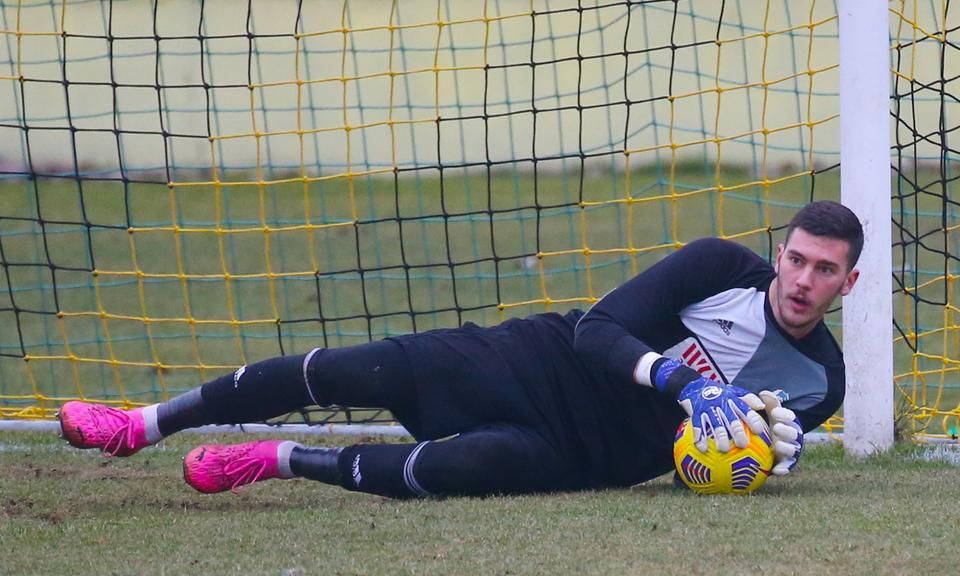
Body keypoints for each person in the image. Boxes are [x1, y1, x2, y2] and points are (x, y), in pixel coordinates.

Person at [58, 200, 862, 498]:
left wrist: (763, 457)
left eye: (823, 271)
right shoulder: (720, 265)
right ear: (780, 252)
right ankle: (141, 424)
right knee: (351, 369)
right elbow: (596, 331)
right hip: (532, 358)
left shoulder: (820, 382)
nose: (800, 280)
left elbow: (712, 470)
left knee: (452, 472)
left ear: (846, 286)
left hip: (582, 454)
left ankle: (275, 459)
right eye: (796, 258)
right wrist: (687, 386)